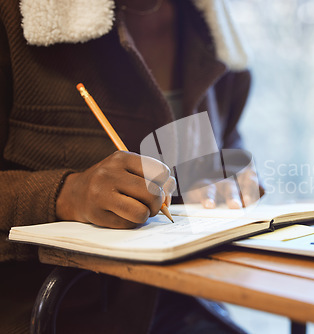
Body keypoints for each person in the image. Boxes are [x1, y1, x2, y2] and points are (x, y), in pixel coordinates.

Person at [0, 0, 259, 332]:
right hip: (52, 312)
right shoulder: (16, 15)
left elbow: (230, 147)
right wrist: (67, 194)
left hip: (190, 301)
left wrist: (235, 181)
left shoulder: (215, 33)